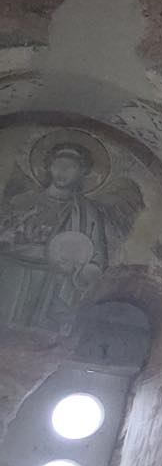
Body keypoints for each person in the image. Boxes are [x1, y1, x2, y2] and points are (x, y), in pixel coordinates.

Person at [0, 135, 137, 332]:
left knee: (38, 334)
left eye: (71, 167)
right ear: (49, 167)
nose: (62, 171)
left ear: (83, 172)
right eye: (58, 164)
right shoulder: (23, 201)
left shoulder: (88, 212)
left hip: (54, 284)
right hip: (11, 275)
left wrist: (80, 269)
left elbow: (97, 257)